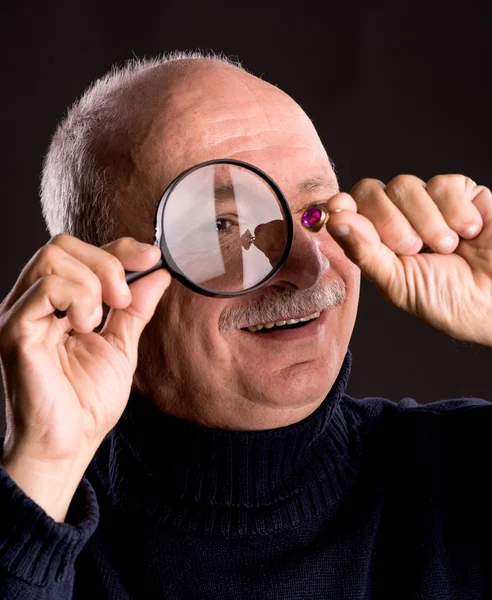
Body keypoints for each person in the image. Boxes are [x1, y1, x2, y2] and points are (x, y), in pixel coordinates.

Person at [0, 51, 491, 600]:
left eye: (315, 213)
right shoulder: (29, 514)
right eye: (221, 225)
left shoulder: (467, 474)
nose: (311, 269)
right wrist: (38, 482)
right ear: (101, 275)